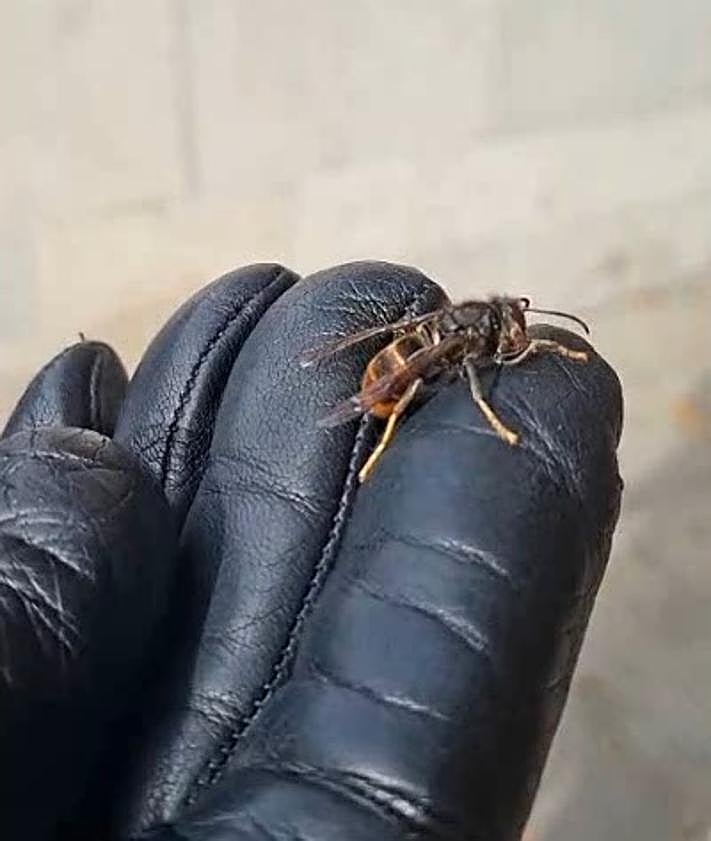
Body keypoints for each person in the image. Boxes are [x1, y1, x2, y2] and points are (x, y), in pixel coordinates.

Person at [0, 261, 623, 840]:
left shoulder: (479, 328)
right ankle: (374, 446)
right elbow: (449, 369)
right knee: (421, 378)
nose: (515, 333)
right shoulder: (458, 342)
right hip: (389, 380)